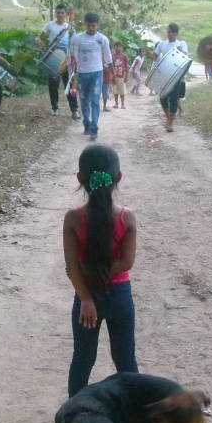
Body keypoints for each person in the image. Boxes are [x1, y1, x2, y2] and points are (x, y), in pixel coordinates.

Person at [63, 144, 138, 396]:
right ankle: (134, 416)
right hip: (120, 297)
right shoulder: (127, 218)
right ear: (118, 178)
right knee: (126, 360)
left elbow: (72, 267)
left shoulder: (72, 219)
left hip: (86, 299)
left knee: (82, 360)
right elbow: (126, 263)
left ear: (79, 178)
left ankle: (74, 413)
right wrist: (103, 273)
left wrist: (86, 297)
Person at [71, 13, 112, 141]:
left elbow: (108, 57)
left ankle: (94, 128)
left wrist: (112, 75)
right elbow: (73, 59)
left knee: (95, 101)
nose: (91, 28)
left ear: (97, 25)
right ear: (85, 24)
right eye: (89, 26)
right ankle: (87, 124)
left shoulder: (103, 39)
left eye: (93, 26)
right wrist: (72, 75)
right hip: (82, 74)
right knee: (83, 101)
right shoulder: (77, 39)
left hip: (97, 73)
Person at [36, 4, 79, 119]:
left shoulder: (70, 28)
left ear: (65, 14)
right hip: (53, 61)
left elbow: (74, 45)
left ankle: (75, 109)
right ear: (55, 13)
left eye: (62, 13)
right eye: (58, 12)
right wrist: (45, 49)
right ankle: (54, 108)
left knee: (71, 86)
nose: (60, 15)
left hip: (67, 61)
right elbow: (38, 38)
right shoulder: (50, 25)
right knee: (53, 86)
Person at [151, 23, 189, 132]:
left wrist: (181, 52)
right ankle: (168, 118)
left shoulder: (181, 44)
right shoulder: (162, 44)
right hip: (164, 76)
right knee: (162, 98)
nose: (170, 34)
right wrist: (147, 53)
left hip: (177, 76)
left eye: (172, 32)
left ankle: (171, 123)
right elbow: (154, 57)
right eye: (168, 32)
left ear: (176, 33)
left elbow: (184, 57)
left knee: (173, 99)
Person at [112, 41, 129, 109]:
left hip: (122, 76)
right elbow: (111, 66)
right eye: (116, 46)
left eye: (119, 46)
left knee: (122, 91)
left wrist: (126, 76)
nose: (118, 48)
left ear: (121, 48)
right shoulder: (112, 56)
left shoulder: (124, 56)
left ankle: (122, 104)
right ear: (114, 48)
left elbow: (127, 67)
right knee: (115, 91)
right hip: (114, 76)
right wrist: (112, 76)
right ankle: (116, 103)